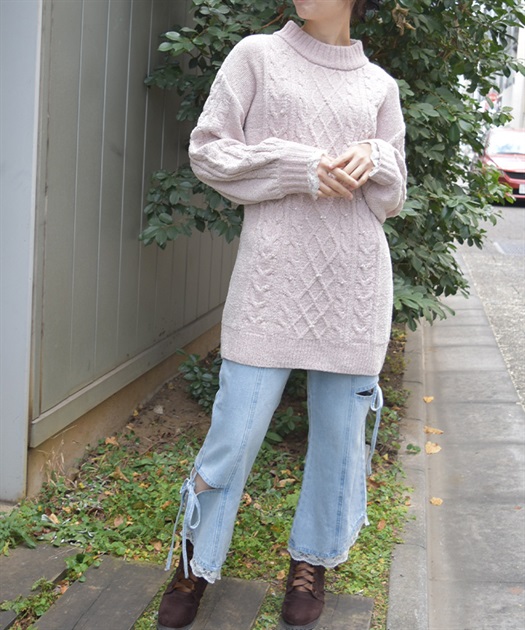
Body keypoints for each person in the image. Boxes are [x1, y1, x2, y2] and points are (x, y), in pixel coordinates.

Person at [157, 1, 406, 628]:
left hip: (354, 287)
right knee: (233, 434)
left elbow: (391, 198)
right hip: (270, 285)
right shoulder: (257, 56)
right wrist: (300, 167)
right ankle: (195, 559)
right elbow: (209, 151)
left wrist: (377, 157)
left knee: (339, 441)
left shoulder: (379, 85)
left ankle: (311, 560)